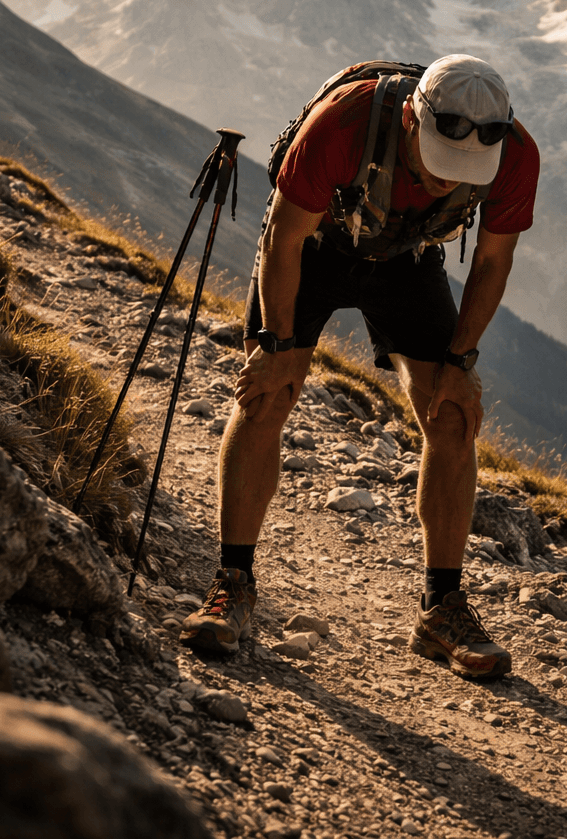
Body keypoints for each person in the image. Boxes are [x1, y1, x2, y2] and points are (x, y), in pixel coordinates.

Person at [180, 54, 540, 680]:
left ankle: (441, 609)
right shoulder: (340, 127)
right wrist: (270, 346)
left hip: (408, 257)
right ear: (409, 120)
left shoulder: (513, 154)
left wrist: (461, 361)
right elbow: (283, 240)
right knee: (268, 394)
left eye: (464, 172)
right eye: (436, 159)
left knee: (452, 412)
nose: (446, 181)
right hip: (313, 247)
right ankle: (232, 583)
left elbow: (491, 263)